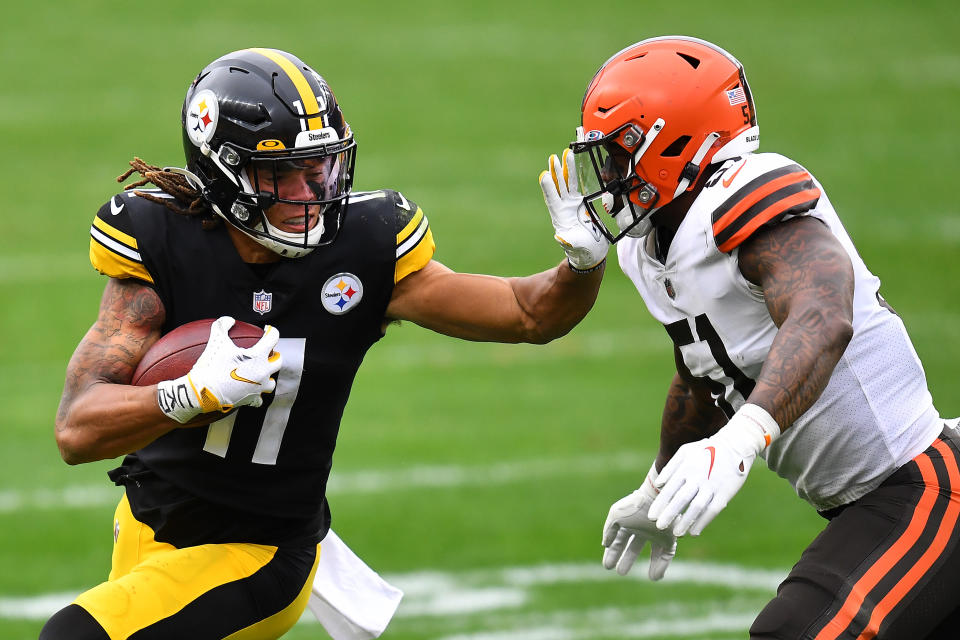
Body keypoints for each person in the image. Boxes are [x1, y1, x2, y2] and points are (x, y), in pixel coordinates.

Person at [43, 47, 606, 640]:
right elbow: (77, 429)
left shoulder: (364, 248)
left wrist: (582, 261)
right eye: (285, 171)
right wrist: (187, 395)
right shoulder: (161, 241)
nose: (313, 190)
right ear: (222, 171)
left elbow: (527, 312)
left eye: (323, 168)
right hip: (145, 525)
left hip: (260, 550)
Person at [541, 35, 960, 639]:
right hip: (871, 502)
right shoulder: (648, 247)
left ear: (675, 143)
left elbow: (824, 313)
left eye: (616, 156)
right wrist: (659, 483)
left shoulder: (744, 192)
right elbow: (703, 373)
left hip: (923, 486)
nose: (606, 178)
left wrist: (743, 438)